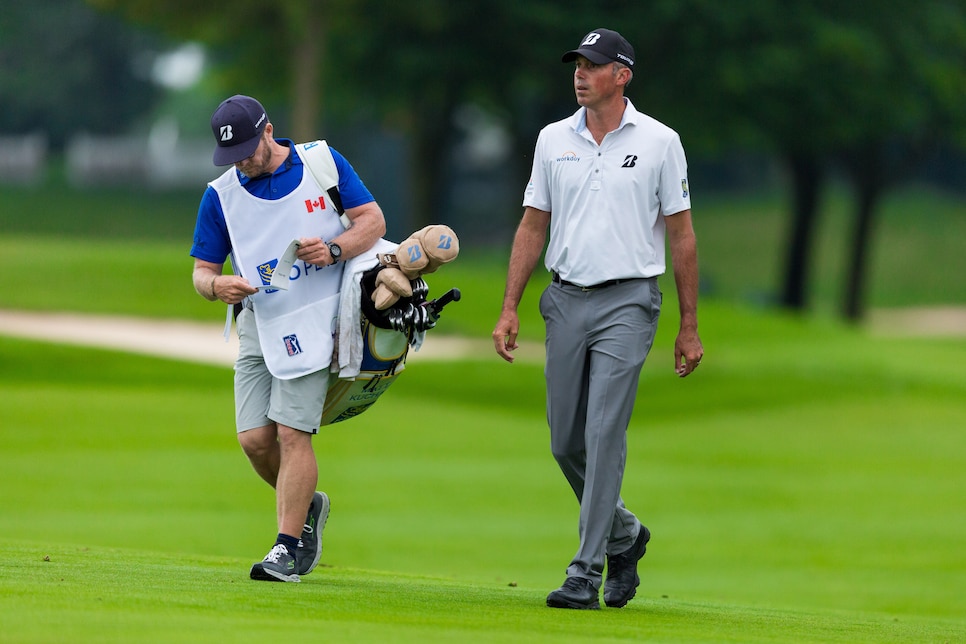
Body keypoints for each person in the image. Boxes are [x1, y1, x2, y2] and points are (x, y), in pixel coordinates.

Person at [492, 29, 704, 609]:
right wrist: (510, 305)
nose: (580, 74)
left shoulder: (661, 142)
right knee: (566, 442)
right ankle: (626, 535)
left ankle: (584, 570)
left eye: (593, 65)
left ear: (622, 75)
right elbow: (534, 224)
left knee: (604, 432)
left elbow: (681, 235)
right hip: (564, 301)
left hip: (629, 301)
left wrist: (688, 325)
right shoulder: (551, 139)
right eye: (577, 65)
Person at [190, 95, 386, 582]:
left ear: (269, 131)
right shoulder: (220, 195)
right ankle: (307, 507)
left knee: (291, 432)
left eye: (248, 152)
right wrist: (219, 287)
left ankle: (287, 547)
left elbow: (373, 222)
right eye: (230, 156)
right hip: (260, 319)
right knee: (255, 440)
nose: (241, 163)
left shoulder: (322, 161)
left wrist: (336, 248)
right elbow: (201, 272)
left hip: (319, 317)